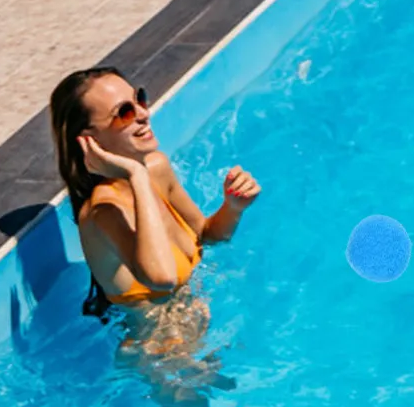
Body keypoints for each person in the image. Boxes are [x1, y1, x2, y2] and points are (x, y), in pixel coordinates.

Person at [50, 66, 260, 317]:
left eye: (139, 99)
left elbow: (207, 234)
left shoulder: (156, 167)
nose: (142, 113)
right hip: (161, 353)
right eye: (124, 112)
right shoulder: (103, 212)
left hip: (203, 326)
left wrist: (233, 208)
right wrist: (136, 174)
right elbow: (162, 278)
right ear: (90, 139)